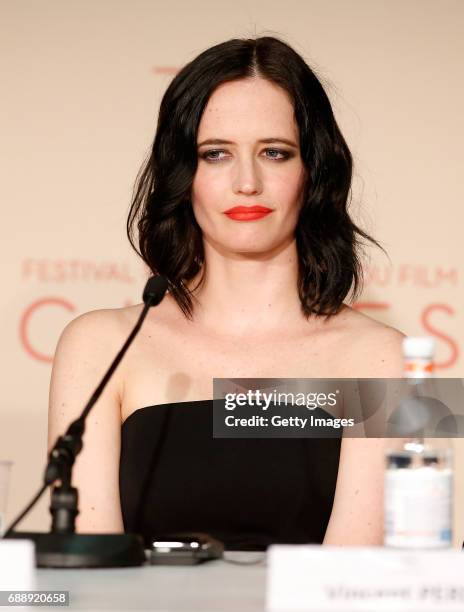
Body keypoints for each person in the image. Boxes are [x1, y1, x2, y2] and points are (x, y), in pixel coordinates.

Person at [48, 36, 404, 549]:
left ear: (313, 170)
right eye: (216, 154)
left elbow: (352, 584)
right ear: (183, 174)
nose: (247, 182)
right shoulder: (100, 344)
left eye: (275, 153)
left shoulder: (379, 356)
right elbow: (87, 575)